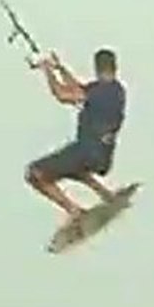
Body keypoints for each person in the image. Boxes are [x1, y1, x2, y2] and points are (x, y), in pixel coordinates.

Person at [25, 48, 127, 223]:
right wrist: (59, 68)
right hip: (103, 156)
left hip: (87, 152)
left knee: (35, 173)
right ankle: (105, 193)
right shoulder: (116, 90)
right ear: (115, 67)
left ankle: (75, 212)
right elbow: (77, 88)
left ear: (96, 67)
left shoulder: (99, 92)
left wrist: (46, 70)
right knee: (72, 166)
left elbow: (62, 94)